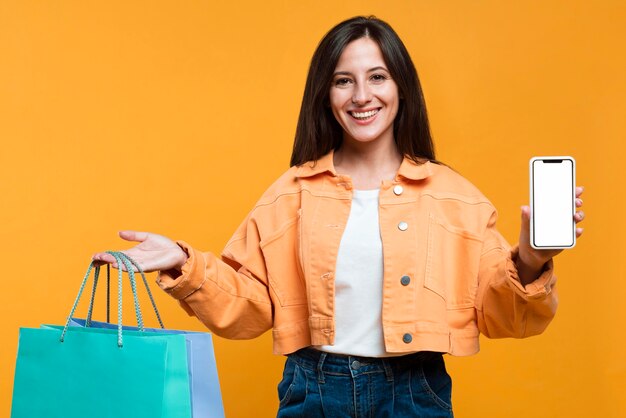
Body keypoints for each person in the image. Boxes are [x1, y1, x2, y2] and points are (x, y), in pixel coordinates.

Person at [93, 16, 585, 417]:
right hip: (313, 391)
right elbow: (251, 309)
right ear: (326, 96)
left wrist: (531, 258)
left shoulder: (454, 196)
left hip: (415, 393)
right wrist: (182, 263)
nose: (361, 96)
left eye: (377, 77)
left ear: (401, 87)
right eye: (343, 81)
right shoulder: (292, 192)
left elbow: (504, 318)